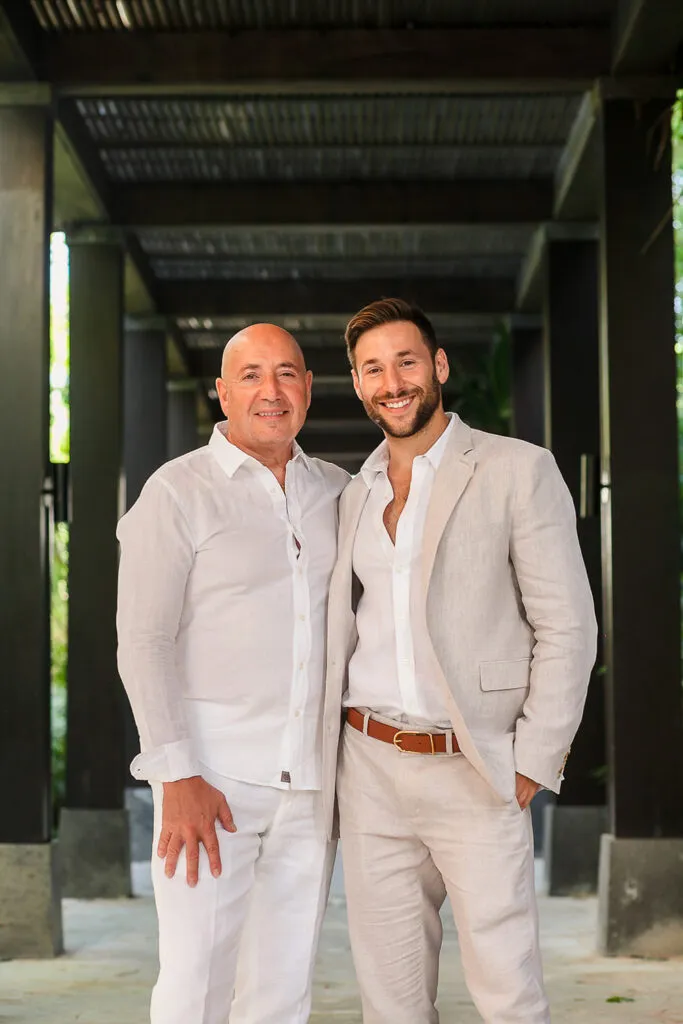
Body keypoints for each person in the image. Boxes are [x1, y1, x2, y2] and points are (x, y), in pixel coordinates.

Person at [322, 298, 597, 1023]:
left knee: (507, 992)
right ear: (357, 384)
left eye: (406, 361)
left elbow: (566, 624)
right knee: (391, 999)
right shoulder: (355, 492)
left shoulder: (515, 469)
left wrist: (532, 758)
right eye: (372, 368)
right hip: (371, 765)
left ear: (438, 366)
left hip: (474, 764)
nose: (393, 381)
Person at [116, 323, 348, 1024]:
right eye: (250, 375)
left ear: (308, 389)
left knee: (282, 989)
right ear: (221, 392)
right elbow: (143, 639)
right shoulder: (177, 491)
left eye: (286, 374)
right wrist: (176, 775)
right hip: (210, 783)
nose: (270, 391)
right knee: (195, 984)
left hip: (308, 785)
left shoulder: (339, 491)